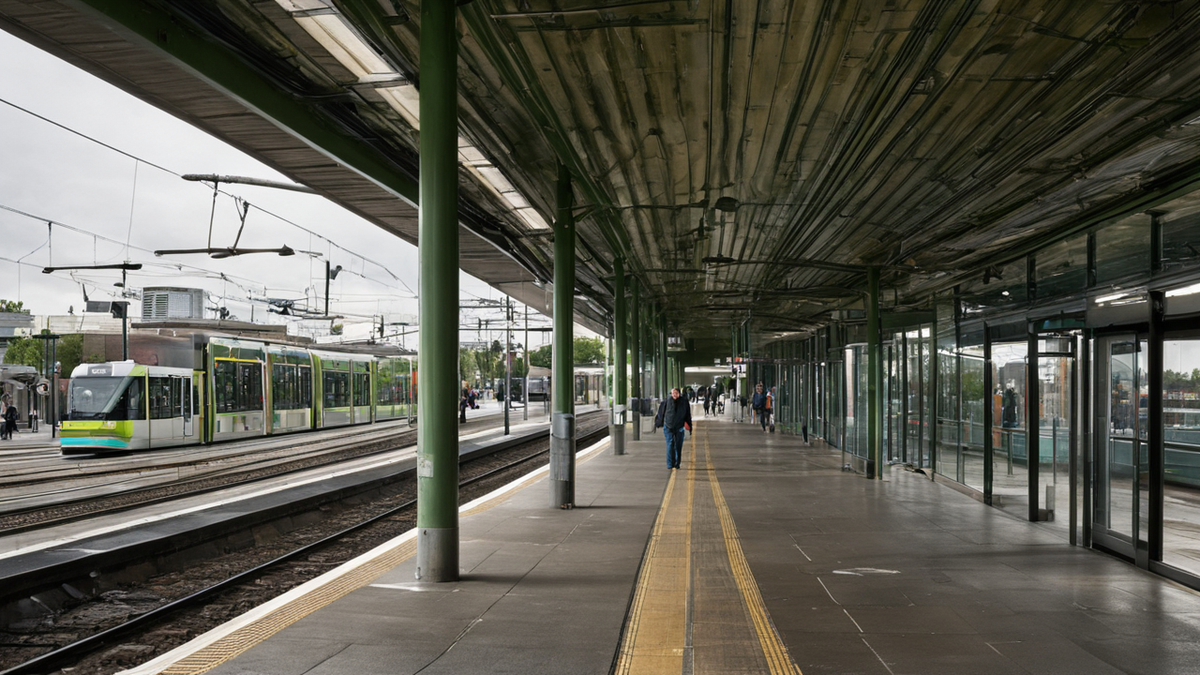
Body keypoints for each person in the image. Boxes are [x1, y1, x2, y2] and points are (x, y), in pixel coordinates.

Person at [654, 387, 692, 470]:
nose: (675, 395)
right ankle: (670, 464)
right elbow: (661, 413)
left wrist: (689, 426)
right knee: (670, 444)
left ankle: (677, 463)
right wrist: (658, 423)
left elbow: (688, 415)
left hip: (679, 427)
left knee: (678, 445)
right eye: (673, 393)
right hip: (668, 426)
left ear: (679, 394)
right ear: (671, 394)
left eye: (676, 393)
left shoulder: (684, 402)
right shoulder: (666, 402)